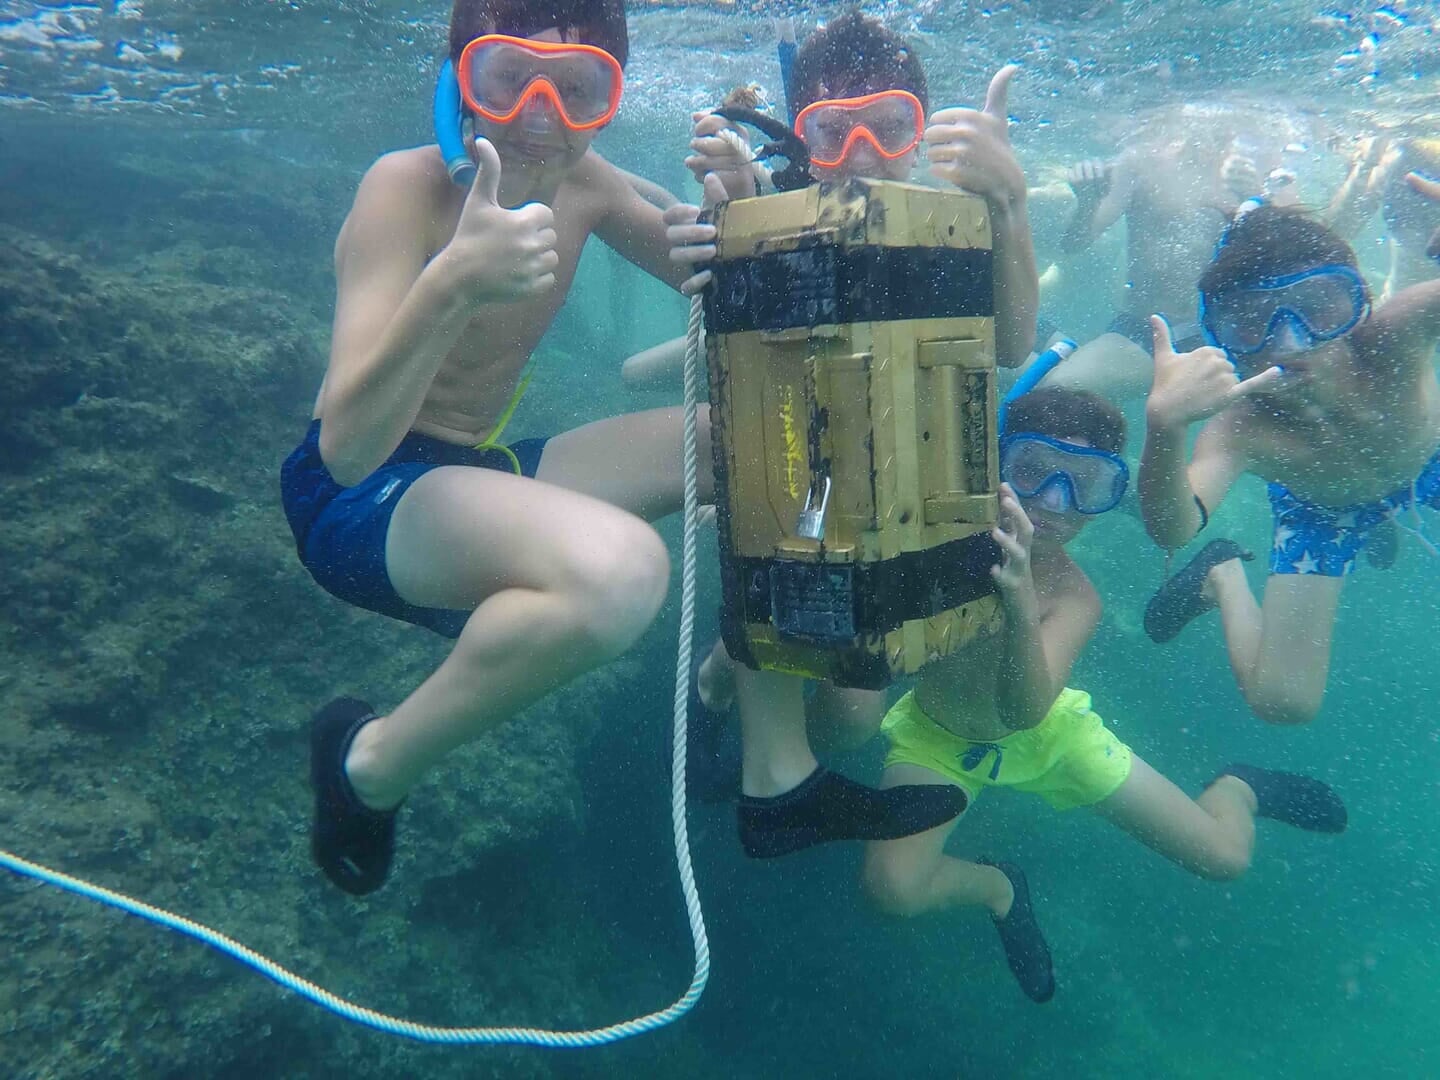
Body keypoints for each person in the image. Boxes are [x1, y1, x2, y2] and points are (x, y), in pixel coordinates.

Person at [280, 0, 711, 895]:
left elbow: (715, 281)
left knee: (736, 445)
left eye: (578, 89)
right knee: (622, 574)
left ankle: (732, 699)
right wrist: (453, 286)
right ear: (462, 79)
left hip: (471, 478)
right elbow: (347, 451)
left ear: (609, 99)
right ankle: (368, 765)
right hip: (355, 504)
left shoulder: (586, 181)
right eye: (509, 79)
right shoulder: (402, 187)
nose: (539, 116)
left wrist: (736, 206)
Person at [666, 12, 1039, 857]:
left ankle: (721, 693)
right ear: (801, 137)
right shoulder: (768, 206)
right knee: (782, 549)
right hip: (801, 461)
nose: (864, 154)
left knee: (854, 716)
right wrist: (719, 224)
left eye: (890, 126)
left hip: (888, 465)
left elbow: (1013, 343)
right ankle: (763, 767)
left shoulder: (952, 216)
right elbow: (731, 342)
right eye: (834, 132)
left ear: (924, 131)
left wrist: (1009, 202)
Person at [856, 388, 1346, 1004]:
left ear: (1109, 497)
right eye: (1033, 471)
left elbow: (1024, 711)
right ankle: (1000, 889)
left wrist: (1018, 602)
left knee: (1224, 858)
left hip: (1051, 734)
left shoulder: (1076, 597)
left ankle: (1237, 789)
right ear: (994, 466)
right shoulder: (937, 541)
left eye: (1086, 483)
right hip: (938, 737)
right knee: (892, 891)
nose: (1055, 501)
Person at [1139, 202, 1440, 725]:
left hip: (1429, 456)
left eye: (1318, 307)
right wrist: (1165, 426)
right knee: (1283, 703)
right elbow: (1173, 528)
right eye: (1251, 321)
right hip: (1322, 511)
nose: (1288, 341)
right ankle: (1223, 573)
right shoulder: (1241, 426)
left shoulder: (1396, 330)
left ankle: (1382, 525)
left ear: (1358, 304)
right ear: (1222, 337)